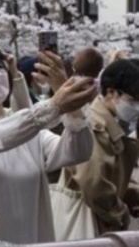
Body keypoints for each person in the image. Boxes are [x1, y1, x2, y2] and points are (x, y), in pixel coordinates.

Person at [0, 41, 96, 244]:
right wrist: (55, 105)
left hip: (33, 237)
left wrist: (70, 103)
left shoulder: (27, 127)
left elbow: (78, 151)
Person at [61, 59, 139, 235]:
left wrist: (133, 196)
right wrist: (120, 213)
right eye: (134, 99)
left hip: (97, 219)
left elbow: (115, 175)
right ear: (112, 92)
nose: (137, 107)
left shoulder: (110, 121)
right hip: (89, 220)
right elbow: (94, 183)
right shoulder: (95, 125)